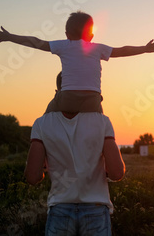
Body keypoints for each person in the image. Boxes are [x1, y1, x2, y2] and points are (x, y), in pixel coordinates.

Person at [0, 11, 154, 113]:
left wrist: (9, 37)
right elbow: (123, 50)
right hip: (93, 99)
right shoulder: (97, 48)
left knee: (49, 112)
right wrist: (145, 48)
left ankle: (42, 137)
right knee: (100, 122)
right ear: (91, 35)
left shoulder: (63, 45)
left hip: (68, 98)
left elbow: (36, 41)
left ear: (67, 34)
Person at [25, 73, 125, 236]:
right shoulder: (102, 121)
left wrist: (47, 171)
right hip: (96, 210)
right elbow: (117, 173)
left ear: (58, 91)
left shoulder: (41, 124)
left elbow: (32, 177)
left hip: (60, 209)